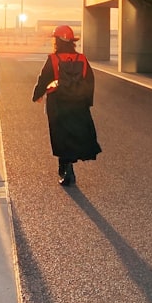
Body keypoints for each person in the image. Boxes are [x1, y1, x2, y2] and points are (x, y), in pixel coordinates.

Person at [32, 24, 101, 186]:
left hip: (57, 102)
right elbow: (90, 81)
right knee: (74, 133)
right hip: (78, 103)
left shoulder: (53, 59)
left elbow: (43, 79)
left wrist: (37, 95)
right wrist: (87, 102)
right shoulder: (82, 59)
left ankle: (65, 167)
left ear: (58, 41)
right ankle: (68, 165)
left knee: (60, 135)